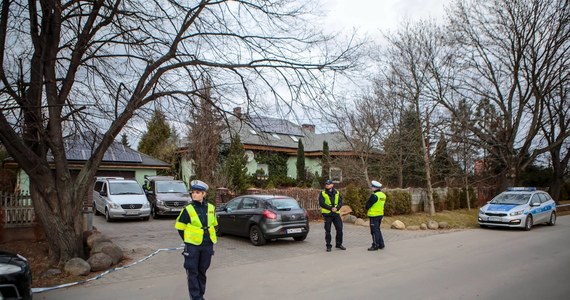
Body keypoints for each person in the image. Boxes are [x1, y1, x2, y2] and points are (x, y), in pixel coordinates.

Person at [175, 180, 218, 300]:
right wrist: (188, 240)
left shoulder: (211, 208)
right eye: (193, 192)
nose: (194, 194)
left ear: (204, 194)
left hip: (207, 245)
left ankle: (201, 295)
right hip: (192, 247)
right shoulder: (188, 209)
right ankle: (196, 298)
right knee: (192, 272)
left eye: (197, 192)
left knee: (202, 271)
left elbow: (214, 225)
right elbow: (180, 228)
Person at [318, 179, 346, 252]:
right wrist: (331, 208)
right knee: (328, 231)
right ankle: (328, 245)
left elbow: (340, 202)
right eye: (326, 184)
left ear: (332, 185)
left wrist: (337, 208)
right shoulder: (323, 193)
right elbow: (321, 203)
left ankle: (339, 244)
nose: (327, 185)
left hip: (336, 214)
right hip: (327, 214)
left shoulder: (337, 192)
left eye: (328, 184)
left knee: (339, 229)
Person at [366, 180, 386, 251]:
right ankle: (381, 244)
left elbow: (368, 205)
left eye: (372, 186)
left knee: (374, 231)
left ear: (375, 188)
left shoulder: (374, 196)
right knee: (377, 229)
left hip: (373, 215)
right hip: (380, 214)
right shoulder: (383, 195)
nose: (371, 188)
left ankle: (375, 245)